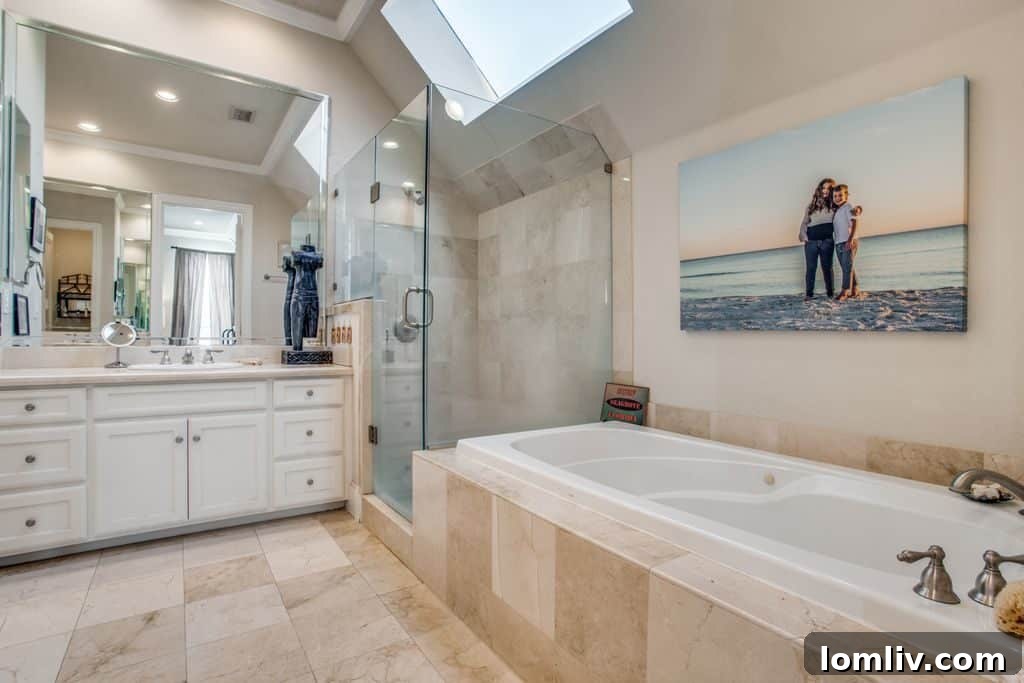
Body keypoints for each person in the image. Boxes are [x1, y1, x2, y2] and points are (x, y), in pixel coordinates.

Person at [798, 178, 836, 300]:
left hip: (827, 241)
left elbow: (846, 212)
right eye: (823, 187)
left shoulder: (835, 205)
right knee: (811, 268)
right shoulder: (811, 206)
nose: (825, 190)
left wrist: (857, 210)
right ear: (819, 189)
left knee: (827, 268)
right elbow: (804, 223)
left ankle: (830, 293)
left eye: (829, 188)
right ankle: (809, 294)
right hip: (811, 242)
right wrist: (803, 235)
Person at [832, 184, 862, 301]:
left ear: (846, 196)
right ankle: (855, 289)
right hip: (839, 242)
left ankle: (845, 291)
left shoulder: (848, 207)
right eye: (835, 196)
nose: (837, 198)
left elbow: (855, 222)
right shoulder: (837, 210)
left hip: (848, 241)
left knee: (847, 267)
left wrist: (850, 239)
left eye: (840, 195)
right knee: (847, 267)